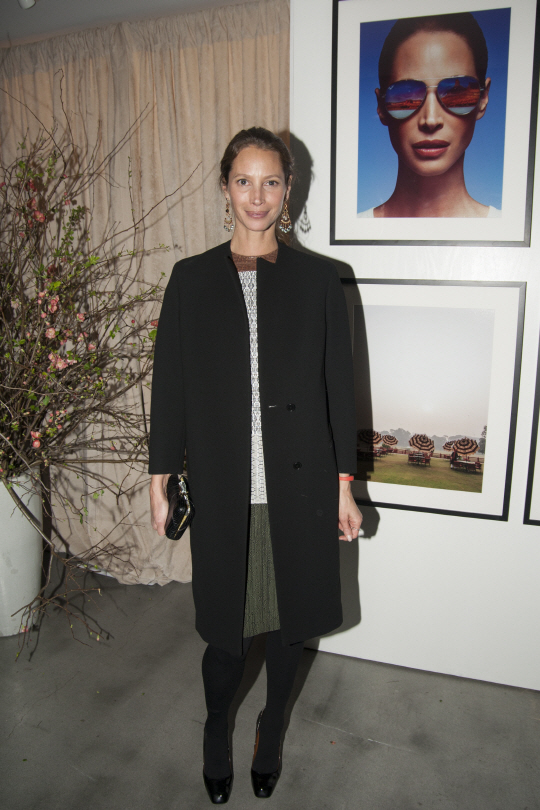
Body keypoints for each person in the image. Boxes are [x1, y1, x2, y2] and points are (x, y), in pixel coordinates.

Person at [148, 127, 363, 804]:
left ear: (288, 189)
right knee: (227, 637)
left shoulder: (320, 279)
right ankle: (217, 727)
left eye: (271, 181)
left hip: (300, 484)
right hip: (223, 486)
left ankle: (271, 731)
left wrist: (345, 486)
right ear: (225, 188)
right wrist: (159, 477)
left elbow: (339, 389)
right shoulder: (190, 280)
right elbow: (170, 385)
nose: (258, 196)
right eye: (244, 181)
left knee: (291, 627)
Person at [360, 13, 499, 218]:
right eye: (406, 94)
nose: (431, 120)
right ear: (381, 106)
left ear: (483, 98)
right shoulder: (350, 228)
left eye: (456, 93)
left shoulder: (508, 229)